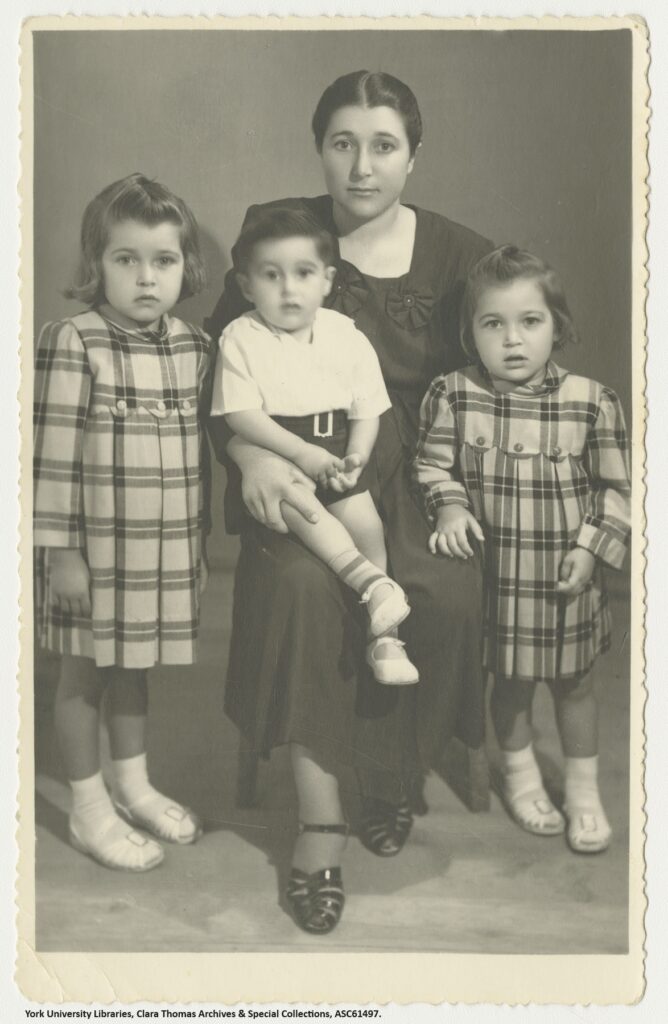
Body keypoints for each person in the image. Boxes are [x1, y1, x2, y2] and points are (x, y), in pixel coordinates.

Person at [207, 70, 493, 935]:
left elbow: (495, 372)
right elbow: (222, 377)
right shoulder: (281, 236)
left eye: (382, 145)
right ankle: (320, 827)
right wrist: (248, 454)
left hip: (409, 473)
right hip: (297, 475)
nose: (361, 167)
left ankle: (388, 775)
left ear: (413, 154)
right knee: (303, 590)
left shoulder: (457, 252)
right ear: (319, 149)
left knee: (443, 590)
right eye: (342, 143)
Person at [414, 244, 631, 854]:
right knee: (509, 684)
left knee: (575, 686)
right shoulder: (452, 395)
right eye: (493, 324)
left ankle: (584, 792)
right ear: (471, 333)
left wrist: (591, 548)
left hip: (567, 581)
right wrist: (450, 502)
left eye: (530, 322)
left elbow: (621, 491)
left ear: (556, 326)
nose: (513, 340)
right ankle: (522, 777)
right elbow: (431, 467)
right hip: (498, 582)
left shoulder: (594, 401)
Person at [33, 173, 213, 871]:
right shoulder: (75, 341)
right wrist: (59, 551)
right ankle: (86, 808)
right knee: (84, 673)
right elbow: (49, 457)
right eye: (125, 259)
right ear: (94, 264)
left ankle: (132, 783)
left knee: (136, 668)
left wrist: (194, 547)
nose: (145, 278)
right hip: (92, 550)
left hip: (160, 549)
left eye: (163, 262)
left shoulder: (193, 347)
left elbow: (196, 456)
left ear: (184, 267)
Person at [211, 207, 418, 686]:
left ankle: (384, 637)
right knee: (307, 512)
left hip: (338, 447)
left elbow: (367, 408)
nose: (288, 289)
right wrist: (302, 455)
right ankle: (372, 585)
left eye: (303, 274)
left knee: (366, 525)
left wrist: (358, 457)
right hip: (278, 453)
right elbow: (241, 415)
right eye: (271, 275)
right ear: (246, 286)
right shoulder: (241, 337)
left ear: (326, 281)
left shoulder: (345, 335)